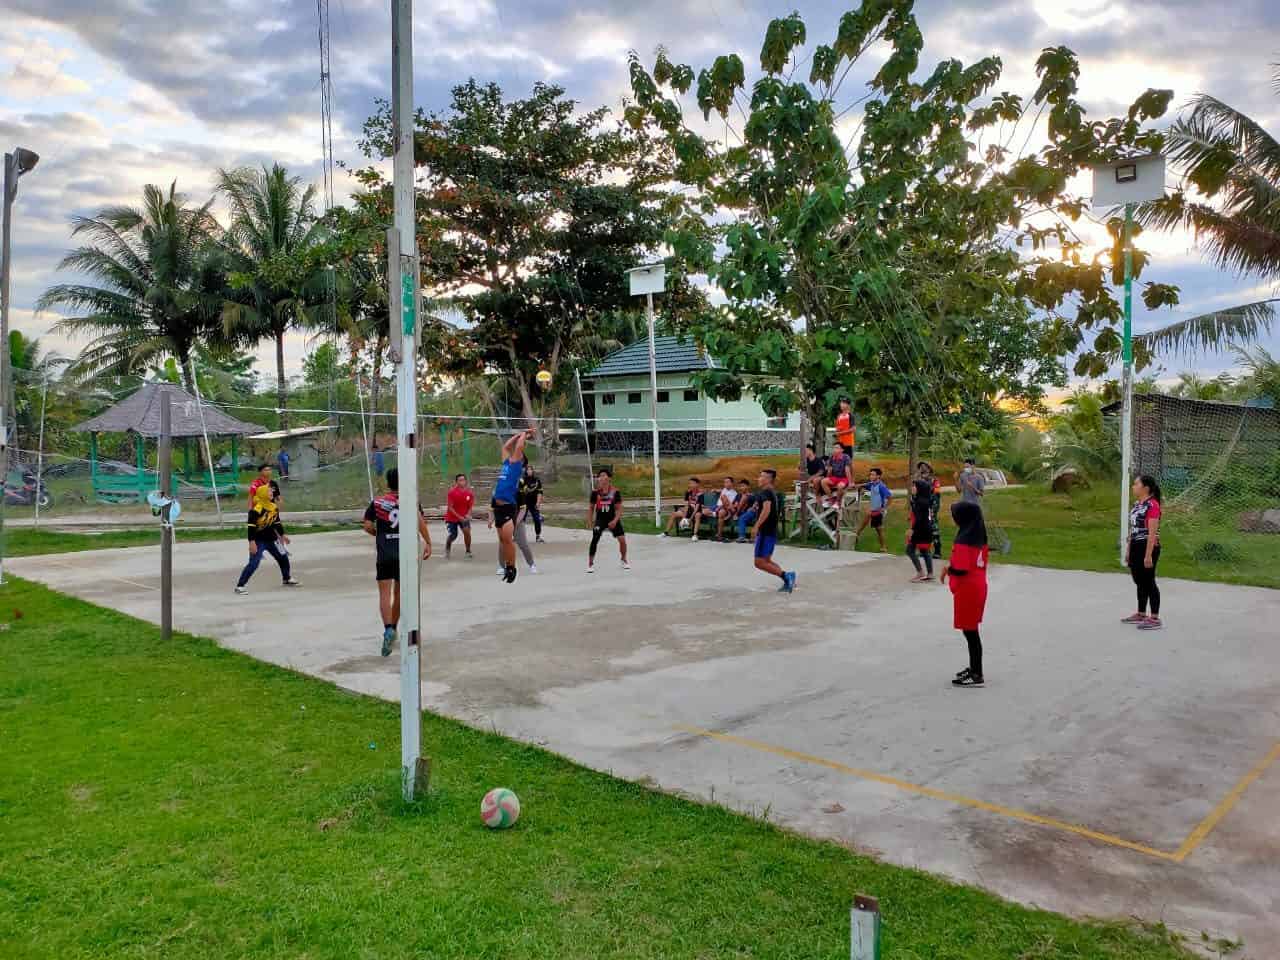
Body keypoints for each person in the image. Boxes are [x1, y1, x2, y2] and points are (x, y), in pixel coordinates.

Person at [363, 467, 432, 657]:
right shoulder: (411, 501)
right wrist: (428, 542)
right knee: (399, 592)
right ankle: (394, 625)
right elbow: (420, 522)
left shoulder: (377, 502)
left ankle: (387, 629)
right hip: (405, 553)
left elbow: (367, 525)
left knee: (384, 593)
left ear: (387, 482)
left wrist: (378, 534)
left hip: (385, 553)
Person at [940, 500, 989, 688]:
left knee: (970, 633)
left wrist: (947, 569)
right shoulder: (978, 536)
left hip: (968, 589)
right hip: (977, 587)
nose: (954, 519)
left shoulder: (964, 540)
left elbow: (960, 569)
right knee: (971, 631)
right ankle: (974, 668)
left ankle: (977, 673)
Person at [235, 484, 301, 594]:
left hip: (272, 539)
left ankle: (287, 579)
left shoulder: (273, 507)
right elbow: (251, 528)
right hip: (258, 541)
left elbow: (277, 523)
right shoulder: (256, 510)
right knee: (254, 563)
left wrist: (282, 535)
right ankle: (240, 586)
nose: (272, 494)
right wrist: (252, 543)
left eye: (272, 492)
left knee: (283, 557)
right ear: (263, 494)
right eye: (269, 492)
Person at [1123, 474, 1163, 631]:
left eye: (1136, 484)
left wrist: (1148, 555)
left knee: (1148, 580)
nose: (1133, 487)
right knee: (1138, 580)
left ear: (1145, 488)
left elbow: (1152, 532)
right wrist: (1128, 550)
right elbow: (1133, 530)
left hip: (1148, 546)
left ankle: (1154, 617)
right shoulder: (1137, 505)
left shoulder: (1152, 505)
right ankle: (1141, 613)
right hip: (1135, 545)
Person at [491, 430, 531, 583]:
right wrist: (518, 434)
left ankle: (512, 568)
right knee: (503, 540)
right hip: (498, 507)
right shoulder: (507, 463)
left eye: (517, 454)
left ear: (521, 460)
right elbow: (506, 447)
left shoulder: (516, 466)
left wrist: (524, 435)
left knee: (508, 539)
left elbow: (519, 447)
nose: (514, 454)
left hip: (508, 507)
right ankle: (508, 565)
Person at [752, 468, 796, 592]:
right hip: (770, 531)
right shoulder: (770, 492)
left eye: (762, 477)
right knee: (766, 560)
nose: (759, 479)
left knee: (759, 562)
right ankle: (788, 578)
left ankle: (786, 576)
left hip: (765, 531)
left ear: (769, 479)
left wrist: (756, 526)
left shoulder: (765, 492)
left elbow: (767, 510)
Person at [587, 468, 628, 572]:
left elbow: (619, 509)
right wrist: (590, 520)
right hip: (600, 519)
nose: (601, 477)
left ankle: (624, 560)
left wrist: (615, 521)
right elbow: (591, 508)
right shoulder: (595, 492)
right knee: (595, 538)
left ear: (609, 478)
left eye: (604, 475)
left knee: (622, 540)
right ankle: (590, 564)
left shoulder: (615, 492)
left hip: (612, 519)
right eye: (600, 476)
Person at [512, 457, 540, 575]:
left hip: (519, 512)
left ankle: (532, 564)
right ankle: (504, 566)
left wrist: (516, 522)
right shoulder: (505, 483)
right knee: (503, 544)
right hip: (506, 516)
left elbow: (522, 506)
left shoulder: (521, 482)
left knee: (523, 544)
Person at [855, 466, 892, 552]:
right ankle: (857, 534)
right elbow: (865, 485)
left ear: (878, 476)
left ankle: (883, 547)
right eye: (870, 474)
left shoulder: (881, 486)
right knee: (867, 517)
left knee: (879, 529)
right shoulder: (872, 484)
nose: (871, 476)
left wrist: (884, 508)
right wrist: (858, 486)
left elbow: (890, 498)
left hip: (878, 511)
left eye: (873, 475)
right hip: (872, 509)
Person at [906, 478, 935, 582]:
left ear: (920, 488)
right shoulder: (924, 500)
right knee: (924, 550)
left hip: (920, 529)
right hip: (926, 528)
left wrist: (912, 530)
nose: (912, 488)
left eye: (914, 486)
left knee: (910, 550)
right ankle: (930, 573)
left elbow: (919, 518)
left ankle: (920, 572)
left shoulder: (920, 502)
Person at [444, 473, 474, 560]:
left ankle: (468, 551)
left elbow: (470, 506)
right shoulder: (452, 492)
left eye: (463, 480)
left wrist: (468, 514)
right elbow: (450, 507)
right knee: (453, 535)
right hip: (452, 518)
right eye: (460, 480)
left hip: (464, 518)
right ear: (456, 482)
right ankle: (447, 548)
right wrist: (459, 517)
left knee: (467, 531)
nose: (462, 482)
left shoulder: (469, 493)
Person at [918, 461, 943, 559]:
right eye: (920, 467)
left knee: (933, 528)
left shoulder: (934, 480)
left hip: (931, 506)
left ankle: (937, 551)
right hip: (921, 507)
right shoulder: (918, 479)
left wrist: (933, 509)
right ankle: (924, 550)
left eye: (924, 467)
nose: (922, 469)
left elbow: (937, 493)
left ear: (929, 468)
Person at [523, 465, 546, 543]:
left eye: (530, 470)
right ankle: (517, 536)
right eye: (528, 470)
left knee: (537, 519)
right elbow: (519, 493)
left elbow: (540, 492)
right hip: (524, 503)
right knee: (520, 520)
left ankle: (538, 536)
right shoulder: (522, 480)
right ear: (525, 471)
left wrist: (538, 503)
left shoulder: (536, 480)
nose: (529, 471)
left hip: (533, 503)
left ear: (533, 471)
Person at [714, 475, 739, 541]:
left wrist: (720, 507)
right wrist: (715, 490)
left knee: (721, 512)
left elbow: (728, 504)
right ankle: (714, 513)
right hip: (717, 506)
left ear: (732, 483)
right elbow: (720, 490)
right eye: (725, 482)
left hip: (725, 508)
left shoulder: (734, 493)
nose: (726, 484)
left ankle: (719, 535)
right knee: (704, 510)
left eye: (728, 482)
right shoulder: (724, 490)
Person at [734, 479, 757, 543]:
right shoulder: (738, 495)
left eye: (743, 486)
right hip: (741, 511)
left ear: (748, 487)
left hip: (750, 513)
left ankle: (742, 537)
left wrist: (752, 507)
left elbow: (756, 503)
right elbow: (735, 504)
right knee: (742, 517)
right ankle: (742, 537)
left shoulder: (752, 495)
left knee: (743, 517)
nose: (741, 488)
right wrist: (736, 504)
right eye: (740, 486)